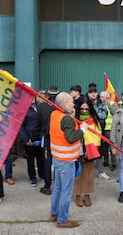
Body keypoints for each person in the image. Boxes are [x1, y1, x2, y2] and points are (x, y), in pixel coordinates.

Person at [49, 92, 87, 228]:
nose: (73, 104)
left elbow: (63, 129)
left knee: (58, 188)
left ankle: (54, 214)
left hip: (58, 159)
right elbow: (71, 138)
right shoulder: (67, 119)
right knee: (66, 191)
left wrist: (71, 115)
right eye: (71, 102)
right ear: (65, 104)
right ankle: (62, 220)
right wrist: (82, 130)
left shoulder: (55, 114)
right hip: (66, 161)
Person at [73, 95, 101, 208]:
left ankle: (87, 194)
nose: (84, 111)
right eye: (82, 109)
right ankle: (78, 195)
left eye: (86, 109)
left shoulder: (94, 119)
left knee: (88, 174)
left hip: (90, 150)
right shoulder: (74, 118)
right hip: (76, 149)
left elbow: (98, 134)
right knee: (77, 174)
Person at [37, 85, 59, 195]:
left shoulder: (42, 107)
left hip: (47, 138)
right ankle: (59, 186)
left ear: (48, 95)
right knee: (60, 162)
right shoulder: (61, 107)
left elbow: (39, 123)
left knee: (47, 163)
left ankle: (47, 186)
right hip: (59, 139)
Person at [19, 97, 44, 187]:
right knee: (30, 159)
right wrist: (25, 139)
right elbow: (20, 126)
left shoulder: (40, 106)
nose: (31, 99)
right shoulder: (23, 108)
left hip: (40, 136)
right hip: (30, 137)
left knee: (41, 158)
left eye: (32, 96)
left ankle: (42, 174)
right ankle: (32, 177)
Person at [87, 85, 110, 180]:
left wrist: (92, 114)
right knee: (88, 152)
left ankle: (101, 172)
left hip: (99, 131)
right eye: (91, 92)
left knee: (99, 152)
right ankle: (87, 173)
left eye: (95, 92)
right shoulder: (86, 104)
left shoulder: (101, 104)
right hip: (88, 132)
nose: (93, 94)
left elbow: (103, 115)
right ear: (88, 94)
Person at [99, 91, 119, 171]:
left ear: (106, 97)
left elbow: (115, 112)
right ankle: (106, 161)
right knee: (104, 147)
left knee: (112, 147)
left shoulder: (113, 104)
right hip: (103, 129)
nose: (100, 98)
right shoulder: (100, 104)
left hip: (111, 130)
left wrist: (108, 104)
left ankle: (114, 163)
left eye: (101, 97)